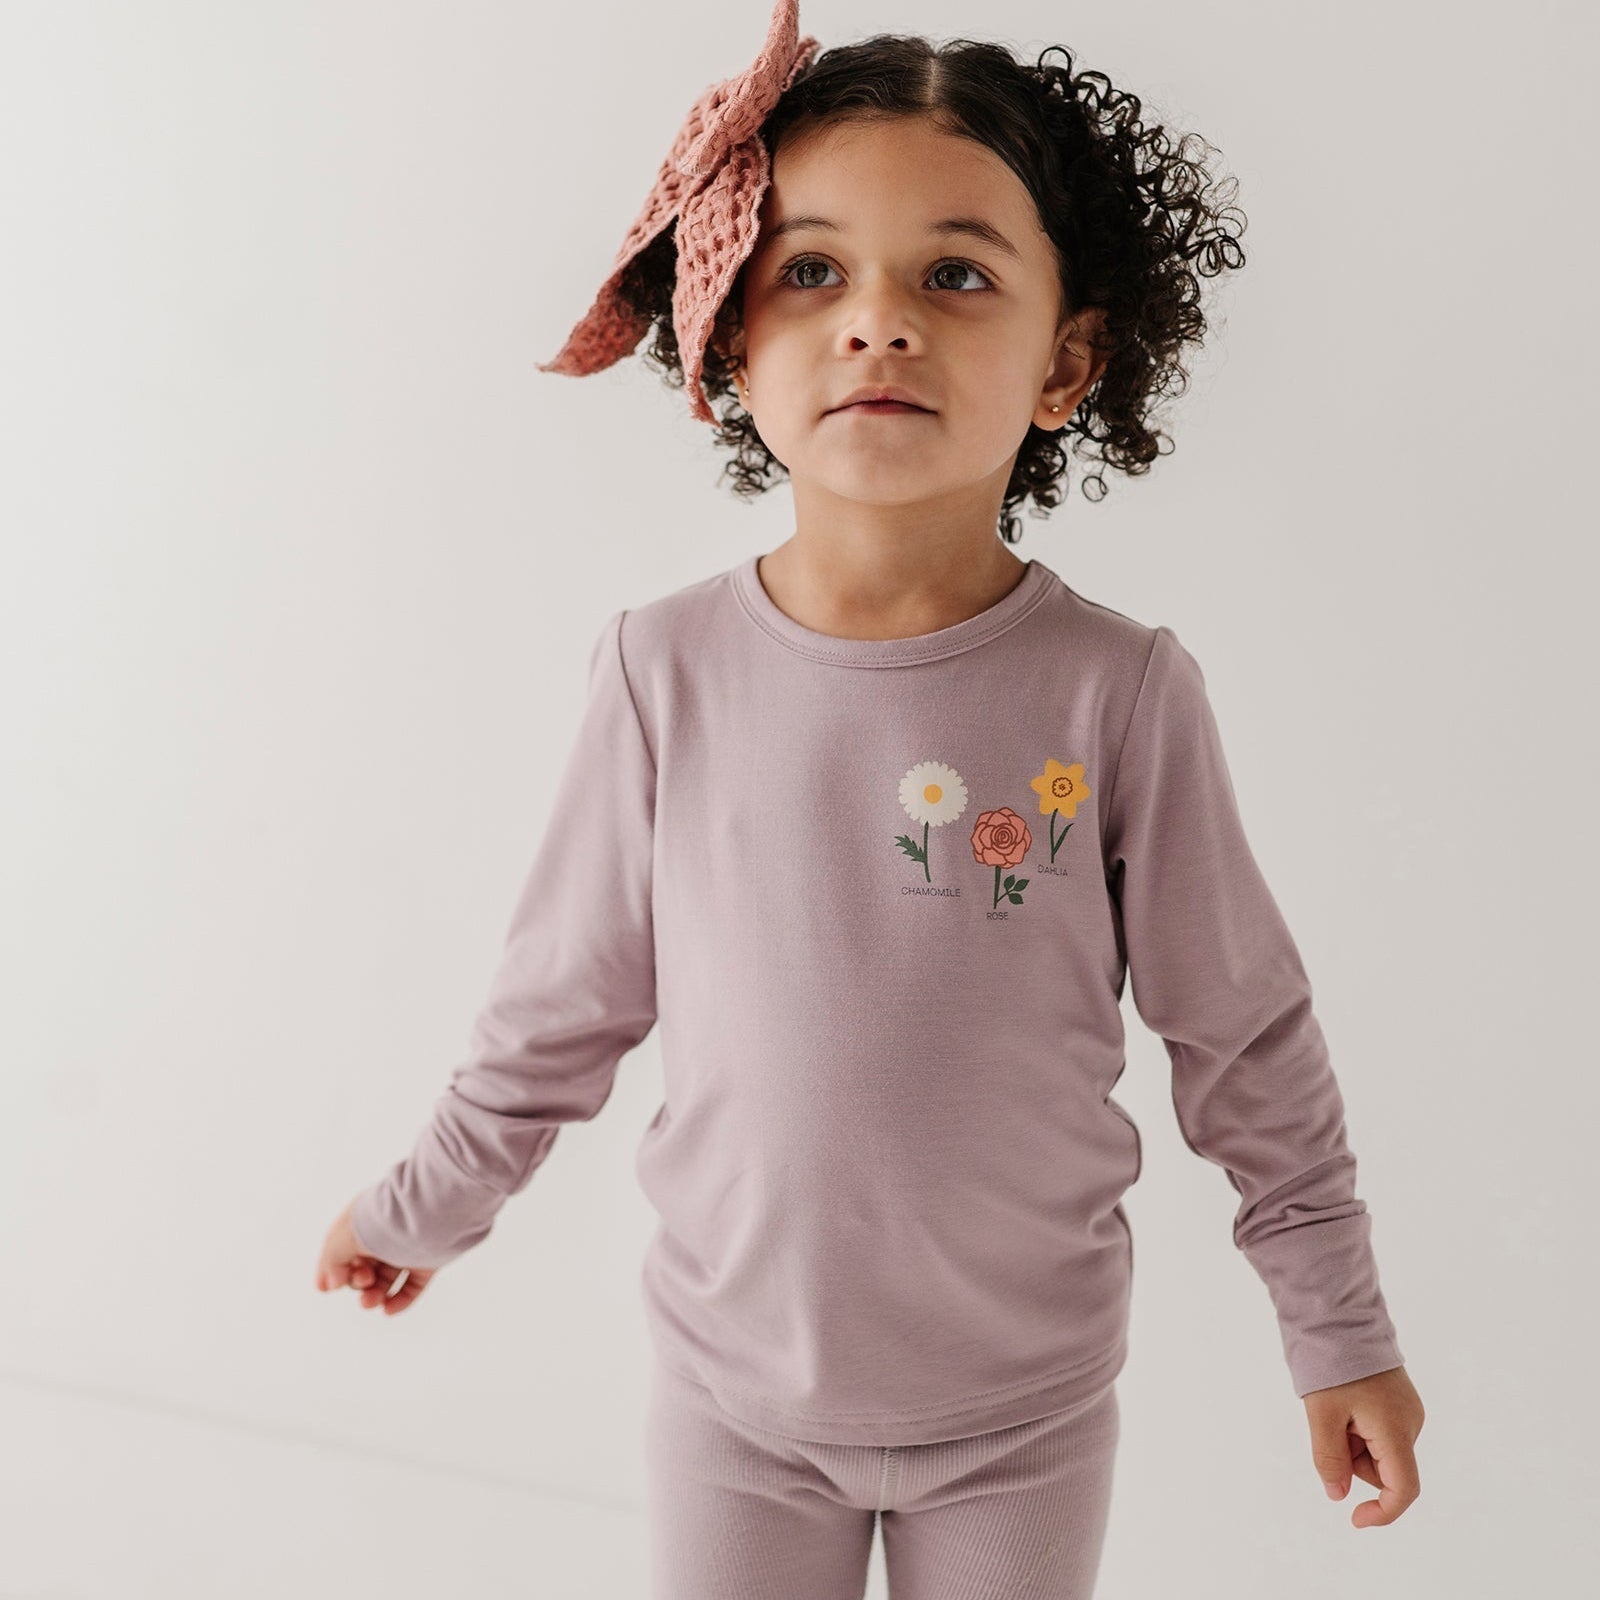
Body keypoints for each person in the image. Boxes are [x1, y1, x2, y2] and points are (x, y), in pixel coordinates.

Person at [313, 3, 1425, 1593]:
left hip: (1026, 1412)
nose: (878, 322)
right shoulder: (660, 672)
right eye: (814, 270)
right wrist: (417, 1206)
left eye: (956, 273)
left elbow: (1243, 1042)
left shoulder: (1120, 694)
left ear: (1070, 359)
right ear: (732, 335)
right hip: (733, 1402)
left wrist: (1341, 1336)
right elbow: (558, 1009)